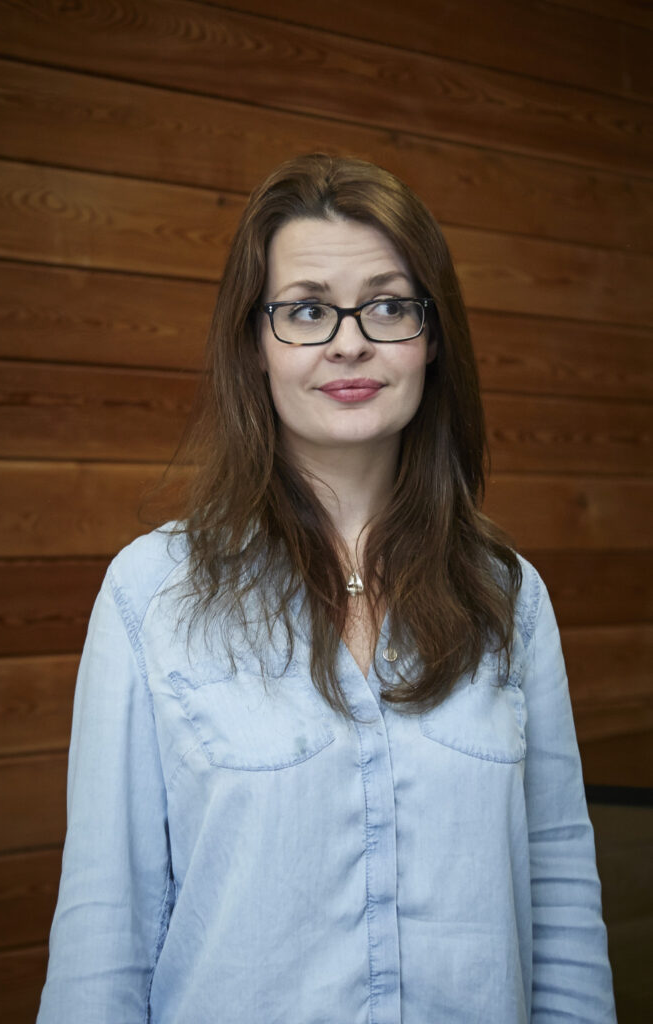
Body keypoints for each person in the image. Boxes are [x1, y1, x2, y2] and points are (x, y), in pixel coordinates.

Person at [37, 154, 616, 1023]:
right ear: (255, 345)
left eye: (387, 305)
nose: (350, 341)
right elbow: (104, 931)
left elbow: (559, 895)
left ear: (431, 338)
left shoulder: (508, 595)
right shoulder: (151, 594)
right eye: (306, 309)